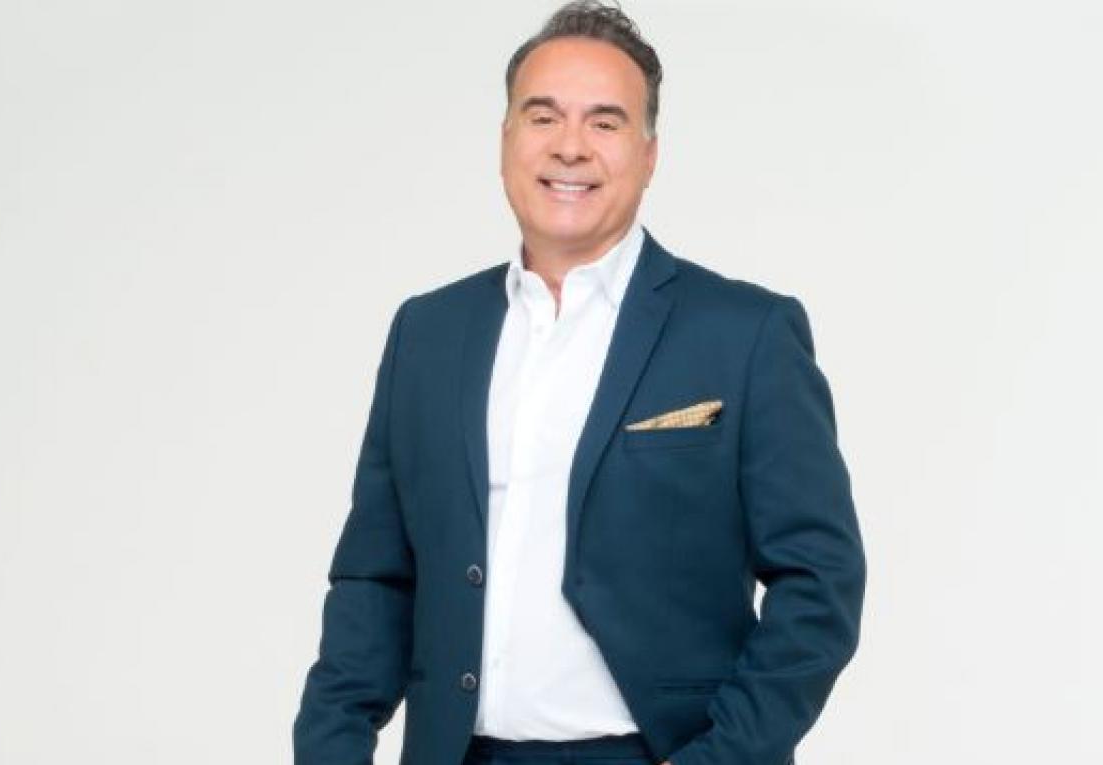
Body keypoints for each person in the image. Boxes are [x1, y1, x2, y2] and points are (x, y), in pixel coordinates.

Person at [292, 3, 866, 764]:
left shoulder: (744, 335)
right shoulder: (427, 334)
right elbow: (375, 579)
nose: (570, 146)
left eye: (605, 121)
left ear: (649, 154)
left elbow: (821, 582)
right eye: (543, 117)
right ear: (505, 140)